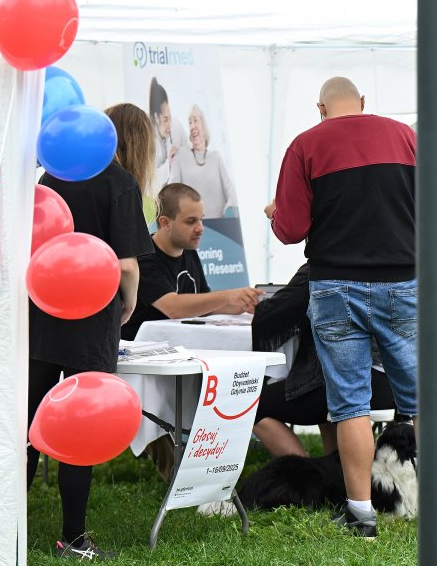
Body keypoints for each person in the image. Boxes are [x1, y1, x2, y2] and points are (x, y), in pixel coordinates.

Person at [266, 76, 417, 538]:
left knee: (350, 405)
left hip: (334, 286)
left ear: (321, 107)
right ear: (363, 103)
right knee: (422, 400)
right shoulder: (405, 136)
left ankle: (360, 513)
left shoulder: (306, 145)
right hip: (402, 281)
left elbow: (290, 230)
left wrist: (277, 212)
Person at [28, 104, 155, 560]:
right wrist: (131, 299)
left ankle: (10, 527)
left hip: (42, 310)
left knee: (27, 420)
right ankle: (73, 537)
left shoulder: (54, 176)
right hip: (93, 316)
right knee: (78, 426)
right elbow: (124, 263)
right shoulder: (121, 184)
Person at [251, 264, 401, 458]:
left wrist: (256, 306)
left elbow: (277, 312)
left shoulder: (323, 264)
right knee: (326, 387)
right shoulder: (387, 262)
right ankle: (334, 474)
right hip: (394, 382)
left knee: (253, 405)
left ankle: (304, 479)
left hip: (352, 382)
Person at [121, 182, 262, 341]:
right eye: (191, 221)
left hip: (179, 347)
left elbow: (204, 306)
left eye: (201, 220)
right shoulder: (145, 258)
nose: (200, 228)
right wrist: (228, 296)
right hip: (140, 352)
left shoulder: (188, 251)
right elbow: (173, 307)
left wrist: (242, 304)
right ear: (165, 222)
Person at [168, 105, 238, 219]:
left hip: (219, 227)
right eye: (189, 123)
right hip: (191, 228)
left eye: (195, 120)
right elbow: (171, 192)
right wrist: (169, 167)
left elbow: (230, 188)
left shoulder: (216, 157)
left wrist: (230, 210)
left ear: (204, 126)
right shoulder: (180, 155)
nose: (192, 126)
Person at [149, 77, 188, 190]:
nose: (169, 124)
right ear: (156, 118)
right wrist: (169, 163)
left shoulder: (176, 126)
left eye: (170, 118)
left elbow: (188, 150)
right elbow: (149, 184)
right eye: (165, 120)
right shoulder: (148, 141)